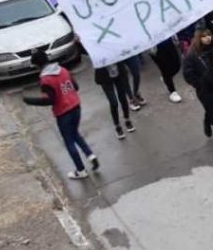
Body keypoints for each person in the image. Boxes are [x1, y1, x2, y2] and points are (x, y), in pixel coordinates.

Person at [23, 50, 98, 179]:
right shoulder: (63, 70)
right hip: (76, 106)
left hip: (63, 113)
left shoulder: (45, 80)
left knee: (69, 141)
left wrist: (29, 100)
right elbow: (75, 86)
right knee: (75, 133)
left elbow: (50, 100)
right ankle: (90, 155)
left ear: (38, 66)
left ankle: (80, 170)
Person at [94, 61, 138, 140]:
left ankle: (127, 120)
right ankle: (117, 126)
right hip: (104, 75)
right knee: (113, 102)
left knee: (122, 97)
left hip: (118, 71)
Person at [149, 37, 183, 103]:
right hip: (155, 47)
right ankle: (172, 91)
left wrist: (175, 38)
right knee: (165, 70)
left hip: (167, 40)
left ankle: (165, 78)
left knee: (177, 65)